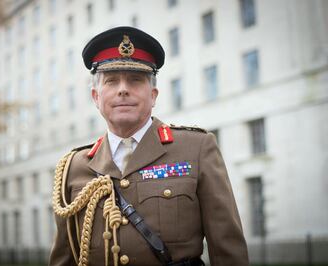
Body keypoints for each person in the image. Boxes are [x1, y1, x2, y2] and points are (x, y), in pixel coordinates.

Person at [49, 26, 249, 266]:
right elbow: (65, 257)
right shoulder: (74, 167)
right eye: (111, 81)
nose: (123, 89)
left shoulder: (196, 149)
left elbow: (228, 248)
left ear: (153, 95)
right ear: (96, 97)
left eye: (135, 80)